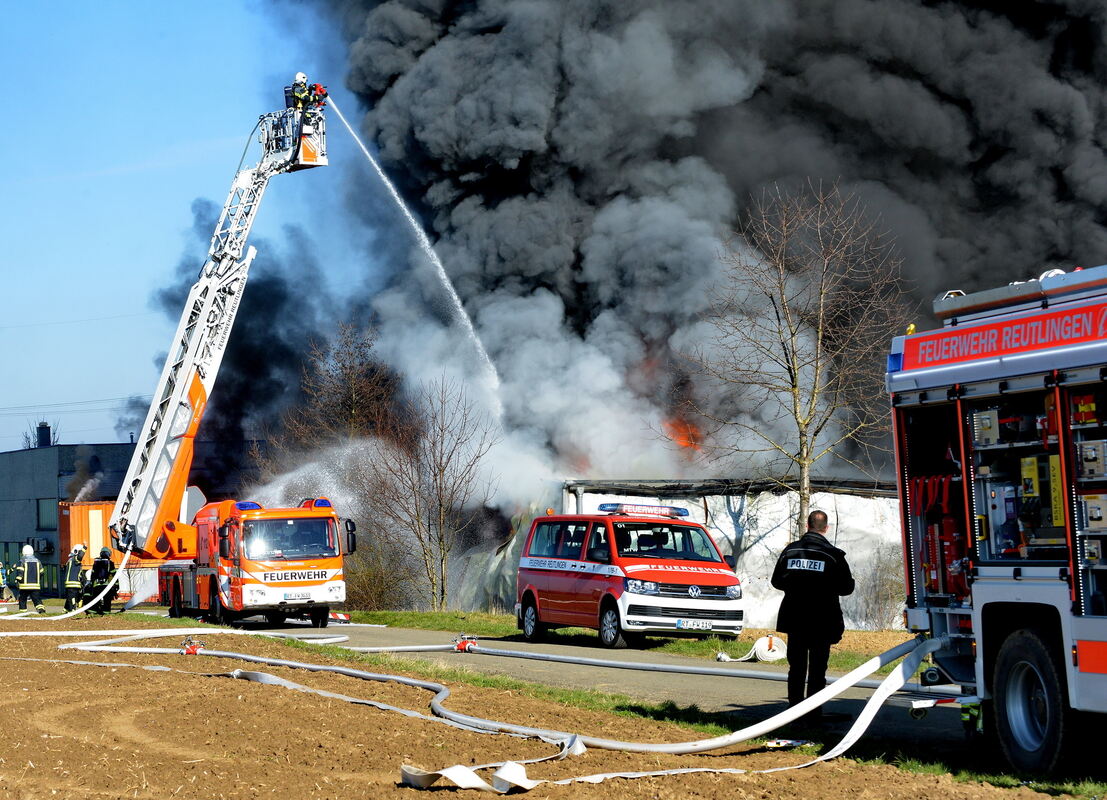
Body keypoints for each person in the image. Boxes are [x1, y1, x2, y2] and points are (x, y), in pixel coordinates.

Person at [771, 509, 854, 723]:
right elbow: (846, 588)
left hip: (795, 618)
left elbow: (776, 581)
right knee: (818, 669)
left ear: (807, 526)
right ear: (825, 528)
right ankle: (813, 713)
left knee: (796, 667)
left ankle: (793, 712)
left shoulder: (790, 550)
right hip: (822, 619)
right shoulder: (833, 555)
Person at [84, 547, 118, 616]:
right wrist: (116, 586)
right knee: (107, 600)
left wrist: (92, 585)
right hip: (106, 586)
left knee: (95, 599)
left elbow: (93, 575)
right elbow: (114, 576)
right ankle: (106, 614)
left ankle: (93, 613)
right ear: (109, 554)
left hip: (96, 585)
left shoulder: (96, 563)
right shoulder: (110, 563)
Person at [16, 544, 46, 614]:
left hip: (24, 586)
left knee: (22, 599)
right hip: (35, 586)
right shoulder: (38, 561)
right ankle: (41, 610)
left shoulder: (22, 561)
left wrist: (18, 581)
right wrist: (37, 580)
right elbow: (42, 572)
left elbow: (20, 573)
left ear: (23, 552)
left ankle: (23, 613)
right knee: (37, 599)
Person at [62, 545, 87, 612]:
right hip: (73, 583)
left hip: (69, 583)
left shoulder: (70, 560)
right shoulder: (75, 559)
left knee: (69, 597)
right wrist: (85, 547)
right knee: (72, 598)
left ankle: (65, 609)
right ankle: (73, 610)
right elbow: (80, 556)